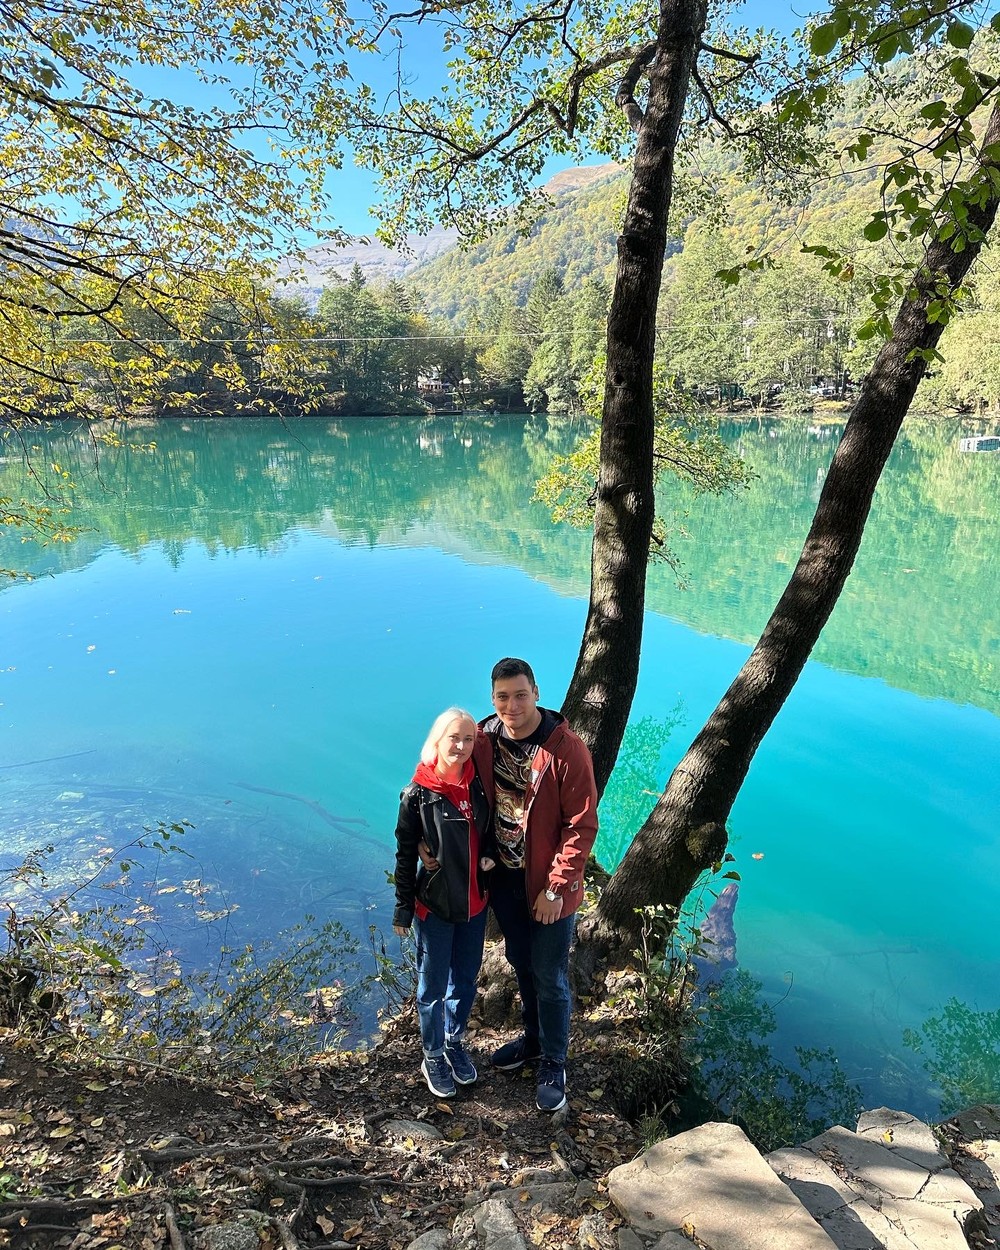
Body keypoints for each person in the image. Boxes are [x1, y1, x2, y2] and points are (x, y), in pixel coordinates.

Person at [479, 657, 598, 1113]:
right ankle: (532, 1040)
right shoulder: (485, 740)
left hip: (549, 889)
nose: (512, 705)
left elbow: (581, 827)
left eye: (520, 695)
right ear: (493, 699)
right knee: (521, 964)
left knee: (550, 976)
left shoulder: (566, 750)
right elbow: (445, 778)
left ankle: (554, 1061)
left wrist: (555, 889)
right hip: (506, 881)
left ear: (536, 693)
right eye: (503, 697)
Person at [392, 707, 496, 1099]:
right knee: (432, 987)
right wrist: (403, 908)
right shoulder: (418, 794)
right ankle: (432, 1054)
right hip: (435, 906)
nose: (462, 746)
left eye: (469, 739)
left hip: (474, 904)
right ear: (437, 740)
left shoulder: (480, 784)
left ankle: (454, 1042)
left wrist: (490, 854)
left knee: (465, 981)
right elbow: (405, 854)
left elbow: (490, 829)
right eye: (454, 737)